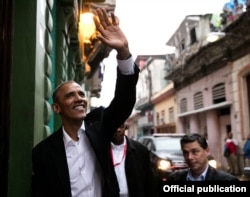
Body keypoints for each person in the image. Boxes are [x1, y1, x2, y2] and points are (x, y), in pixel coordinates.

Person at [31, 8, 140, 197]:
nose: (79, 98)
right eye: (70, 95)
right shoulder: (44, 152)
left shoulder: (100, 127)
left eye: (81, 94)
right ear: (56, 108)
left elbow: (124, 101)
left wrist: (123, 52)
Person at [110, 123, 157, 197]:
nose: (118, 130)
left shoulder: (140, 150)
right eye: (114, 126)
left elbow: (149, 182)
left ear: (126, 127)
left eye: (121, 126)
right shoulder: (102, 150)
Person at [168, 133, 239, 181]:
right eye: (185, 153)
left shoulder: (227, 180)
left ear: (207, 151)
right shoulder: (174, 178)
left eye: (194, 152)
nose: (189, 157)